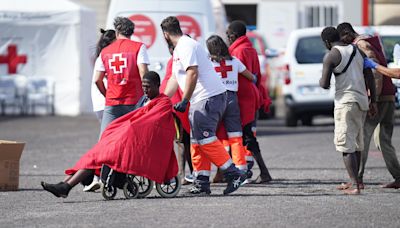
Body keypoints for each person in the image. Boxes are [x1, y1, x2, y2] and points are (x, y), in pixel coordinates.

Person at [41, 71, 178, 198]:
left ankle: (66, 187)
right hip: (127, 138)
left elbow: (151, 124)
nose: (145, 90)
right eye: (143, 86)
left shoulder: (163, 102)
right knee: (94, 155)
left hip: (136, 143)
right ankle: (64, 185)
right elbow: (134, 117)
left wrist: (129, 128)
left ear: (157, 85)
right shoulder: (143, 100)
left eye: (148, 87)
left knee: (100, 157)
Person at [161, 16, 246, 195]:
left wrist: (184, 100)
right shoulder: (180, 49)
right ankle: (201, 182)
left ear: (165, 34)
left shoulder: (186, 46)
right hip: (202, 99)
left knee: (206, 140)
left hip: (207, 98)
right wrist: (161, 99)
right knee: (196, 142)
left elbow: (192, 72)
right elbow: (175, 78)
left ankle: (234, 174)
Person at [337, 22, 400, 189]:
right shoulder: (372, 41)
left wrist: (374, 100)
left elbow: (375, 73)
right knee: (383, 140)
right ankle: (398, 176)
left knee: (362, 138)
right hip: (389, 95)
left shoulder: (361, 45)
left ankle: (357, 179)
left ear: (345, 35)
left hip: (380, 98)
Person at [320, 26, 377, 195]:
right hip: (361, 102)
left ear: (326, 42)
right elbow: (369, 75)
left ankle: (354, 185)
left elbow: (324, 84)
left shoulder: (332, 55)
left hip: (346, 103)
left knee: (346, 146)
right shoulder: (356, 50)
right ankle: (357, 181)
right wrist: (373, 100)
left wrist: (321, 78)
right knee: (357, 144)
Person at [226, 20, 272, 184]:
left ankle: (263, 172)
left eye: (228, 35)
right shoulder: (250, 49)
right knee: (245, 135)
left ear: (234, 35)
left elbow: (235, 77)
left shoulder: (238, 52)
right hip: (251, 95)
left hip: (243, 97)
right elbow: (257, 76)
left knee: (244, 136)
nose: (227, 38)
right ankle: (239, 171)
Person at [206, 35, 255, 174]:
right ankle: (240, 168)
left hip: (215, 99)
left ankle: (220, 168)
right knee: (235, 135)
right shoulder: (235, 62)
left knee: (210, 136)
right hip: (232, 99)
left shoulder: (208, 63)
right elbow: (251, 77)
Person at [94, 16, 150, 135]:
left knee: (106, 138)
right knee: (135, 137)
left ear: (117, 31)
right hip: (134, 100)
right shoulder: (139, 47)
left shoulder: (104, 52)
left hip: (112, 101)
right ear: (131, 31)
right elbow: (143, 73)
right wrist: (148, 95)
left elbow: (97, 80)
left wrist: (107, 94)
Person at [83, 29, 117, 192]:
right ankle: (96, 175)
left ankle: (97, 176)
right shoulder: (109, 56)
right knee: (107, 142)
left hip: (99, 105)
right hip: (108, 105)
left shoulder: (100, 56)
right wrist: (110, 96)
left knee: (105, 140)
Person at [159, 43, 193, 184]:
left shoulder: (175, 61)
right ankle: (184, 173)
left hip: (176, 104)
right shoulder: (178, 61)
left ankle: (185, 173)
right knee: (183, 141)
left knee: (183, 141)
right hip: (177, 106)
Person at [91, 29, 117, 122]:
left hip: (99, 104)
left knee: (108, 133)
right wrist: (108, 97)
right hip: (106, 104)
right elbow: (101, 79)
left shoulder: (101, 56)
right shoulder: (107, 56)